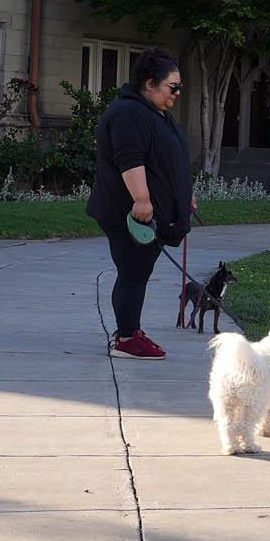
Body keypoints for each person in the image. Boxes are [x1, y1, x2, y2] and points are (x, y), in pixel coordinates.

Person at [87, 51, 195, 359]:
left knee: (138, 271)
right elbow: (130, 160)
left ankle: (129, 331)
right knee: (133, 271)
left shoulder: (154, 112)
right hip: (131, 213)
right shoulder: (128, 113)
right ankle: (126, 339)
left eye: (179, 87)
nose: (177, 93)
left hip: (148, 212)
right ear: (149, 84)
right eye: (172, 87)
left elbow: (165, 160)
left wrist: (183, 194)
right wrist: (142, 200)